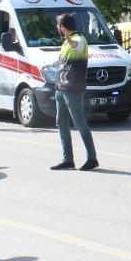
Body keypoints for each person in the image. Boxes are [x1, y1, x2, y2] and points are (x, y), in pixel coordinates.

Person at [48, 13, 99, 171]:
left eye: (59, 26)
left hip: (73, 88)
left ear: (62, 27)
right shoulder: (66, 42)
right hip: (61, 87)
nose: (58, 29)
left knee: (79, 122)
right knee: (61, 122)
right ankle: (68, 159)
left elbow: (77, 46)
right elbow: (63, 62)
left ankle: (92, 158)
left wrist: (67, 37)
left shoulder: (79, 39)